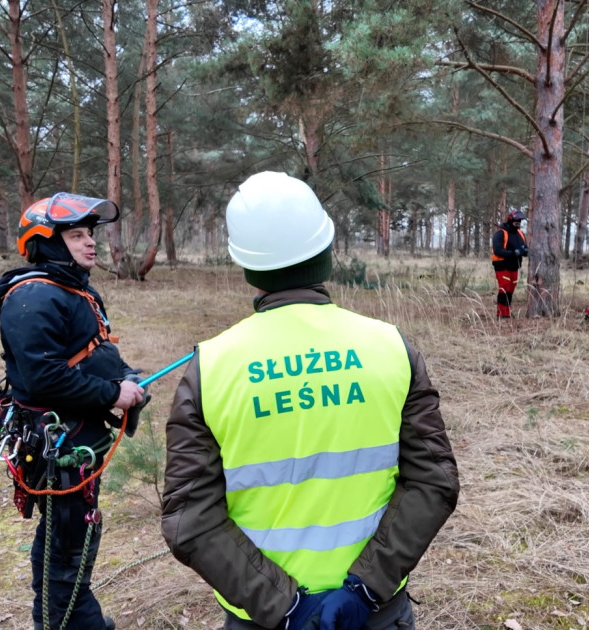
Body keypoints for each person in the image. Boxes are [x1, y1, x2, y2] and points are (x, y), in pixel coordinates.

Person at [161, 171, 460, 630]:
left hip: (262, 619)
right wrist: (364, 587)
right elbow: (434, 483)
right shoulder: (392, 348)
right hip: (374, 613)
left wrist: (286, 609)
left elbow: (190, 520)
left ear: (246, 266)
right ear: (326, 251)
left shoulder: (211, 368)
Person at [0, 193, 146, 630]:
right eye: (77, 235)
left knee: (74, 533)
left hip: (78, 436)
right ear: (48, 242)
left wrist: (125, 377)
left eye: (90, 234)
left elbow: (88, 353)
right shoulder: (34, 296)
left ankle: (69, 616)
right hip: (59, 443)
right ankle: (71, 621)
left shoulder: (71, 288)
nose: (90, 243)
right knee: (68, 539)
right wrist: (113, 395)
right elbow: (44, 379)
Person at [490, 209, 527, 318]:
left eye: (519, 222)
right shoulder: (500, 233)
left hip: (514, 266)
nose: (518, 224)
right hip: (502, 265)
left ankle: (507, 312)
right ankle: (502, 314)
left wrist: (525, 251)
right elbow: (497, 250)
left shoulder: (521, 234)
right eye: (516, 221)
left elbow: (525, 248)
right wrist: (513, 253)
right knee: (504, 288)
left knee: (511, 289)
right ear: (510, 220)